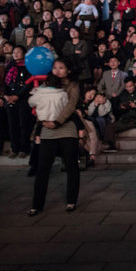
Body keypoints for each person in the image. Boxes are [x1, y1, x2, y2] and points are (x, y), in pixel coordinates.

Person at [27, 57, 80, 216]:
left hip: (66, 128)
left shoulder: (73, 85)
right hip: (47, 129)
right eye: (55, 67)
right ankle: (37, 204)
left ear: (68, 70)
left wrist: (57, 122)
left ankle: (71, 200)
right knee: (43, 168)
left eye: (61, 67)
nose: (57, 70)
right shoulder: (46, 85)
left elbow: (70, 106)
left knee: (71, 166)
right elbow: (39, 105)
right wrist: (39, 130)